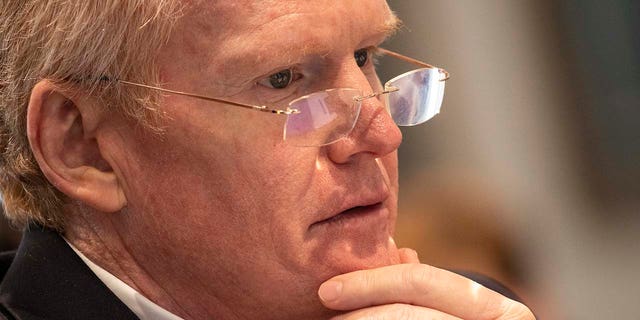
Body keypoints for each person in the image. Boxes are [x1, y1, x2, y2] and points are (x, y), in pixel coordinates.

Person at [0, 1, 535, 319]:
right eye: (284, 80)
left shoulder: (467, 311)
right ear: (82, 147)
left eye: (366, 57)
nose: (382, 133)